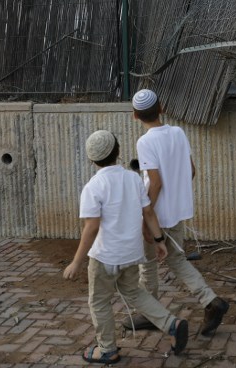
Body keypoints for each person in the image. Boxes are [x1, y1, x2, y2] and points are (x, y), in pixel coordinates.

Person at [63, 129, 189, 364]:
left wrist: (77, 261)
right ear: (118, 152)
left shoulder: (93, 187)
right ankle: (171, 324)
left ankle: (108, 349)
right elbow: (148, 211)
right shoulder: (133, 179)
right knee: (134, 292)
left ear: (92, 159)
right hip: (132, 254)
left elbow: (91, 228)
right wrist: (159, 240)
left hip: (104, 258)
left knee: (99, 301)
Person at [124, 88, 229, 336]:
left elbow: (155, 182)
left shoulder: (145, 141)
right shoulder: (178, 133)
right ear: (162, 108)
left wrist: (145, 218)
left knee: (148, 264)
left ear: (135, 116)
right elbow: (191, 170)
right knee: (176, 259)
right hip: (177, 211)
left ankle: (151, 313)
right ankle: (210, 301)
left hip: (156, 214)